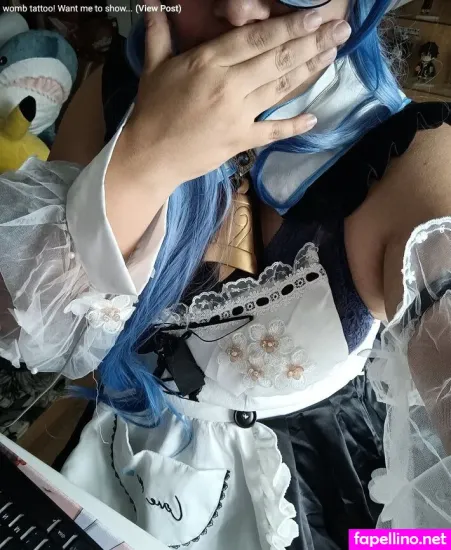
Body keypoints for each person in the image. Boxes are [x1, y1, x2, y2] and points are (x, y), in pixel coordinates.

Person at [1, 0, 451, 547]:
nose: (239, 11)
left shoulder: (413, 160)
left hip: (307, 488)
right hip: (104, 449)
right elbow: (18, 326)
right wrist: (144, 159)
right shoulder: (112, 89)